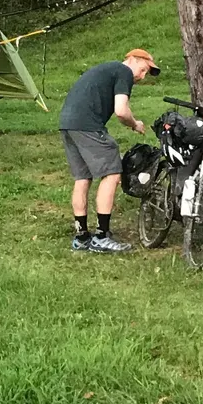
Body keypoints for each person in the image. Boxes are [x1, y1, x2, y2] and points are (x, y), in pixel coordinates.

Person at [57, 47, 158, 253]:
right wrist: (135, 124)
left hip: (68, 123)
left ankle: (81, 236)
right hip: (87, 125)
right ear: (133, 59)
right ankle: (101, 236)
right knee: (112, 173)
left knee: (82, 177)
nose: (142, 76)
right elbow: (121, 111)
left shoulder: (106, 69)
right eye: (144, 69)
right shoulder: (123, 72)